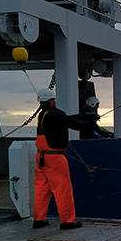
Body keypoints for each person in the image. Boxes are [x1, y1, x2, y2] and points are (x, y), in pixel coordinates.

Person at [33, 88, 96, 230]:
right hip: (55, 158)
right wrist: (89, 123)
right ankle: (67, 221)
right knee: (62, 189)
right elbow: (74, 124)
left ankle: (39, 219)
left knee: (42, 189)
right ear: (50, 101)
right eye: (54, 100)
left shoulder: (43, 115)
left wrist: (83, 115)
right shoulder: (55, 114)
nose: (55, 102)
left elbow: (66, 118)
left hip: (41, 156)